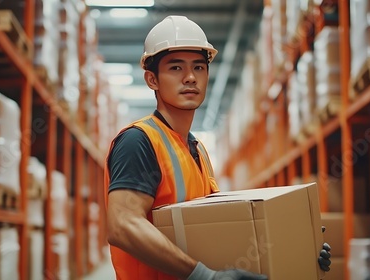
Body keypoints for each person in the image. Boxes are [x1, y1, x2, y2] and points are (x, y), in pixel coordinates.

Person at [104, 15, 331, 280]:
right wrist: (204, 276)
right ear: (152, 80)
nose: (190, 77)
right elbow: (122, 225)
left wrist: (298, 247)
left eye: (199, 68)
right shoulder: (138, 141)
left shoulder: (197, 149)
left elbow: (211, 231)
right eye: (176, 68)